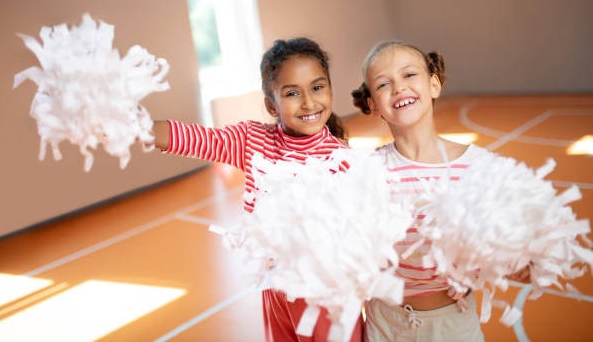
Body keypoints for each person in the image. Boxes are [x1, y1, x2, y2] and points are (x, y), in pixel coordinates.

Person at [153, 37, 363, 342]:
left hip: (326, 293)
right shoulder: (253, 141)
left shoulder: (342, 158)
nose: (308, 102)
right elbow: (193, 137)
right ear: (271, 104)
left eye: (317, 87)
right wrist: (131, 126)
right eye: (292, 93)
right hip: (275, 287)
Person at [351, 40, 530, 341]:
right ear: (372, 104)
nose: (398, 88)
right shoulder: (366, 170)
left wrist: (517, 263)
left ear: (433, 84)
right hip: (385, 324)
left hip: (454, 324)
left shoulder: (480, 166)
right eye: (383, 84)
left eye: (409, 75)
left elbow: (509, 260)